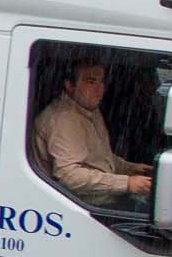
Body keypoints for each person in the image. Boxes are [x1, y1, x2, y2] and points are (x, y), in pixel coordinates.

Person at [31, 60, 153, 206]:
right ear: (69, 85)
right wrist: (126, 183)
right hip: (81, 207)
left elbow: (97, 157)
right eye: (91, 81)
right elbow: (69, 175)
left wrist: (129, 168)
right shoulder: (62, 119)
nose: (99, 89)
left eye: (101, 81)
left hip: (99, 200)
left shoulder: (89, 108)